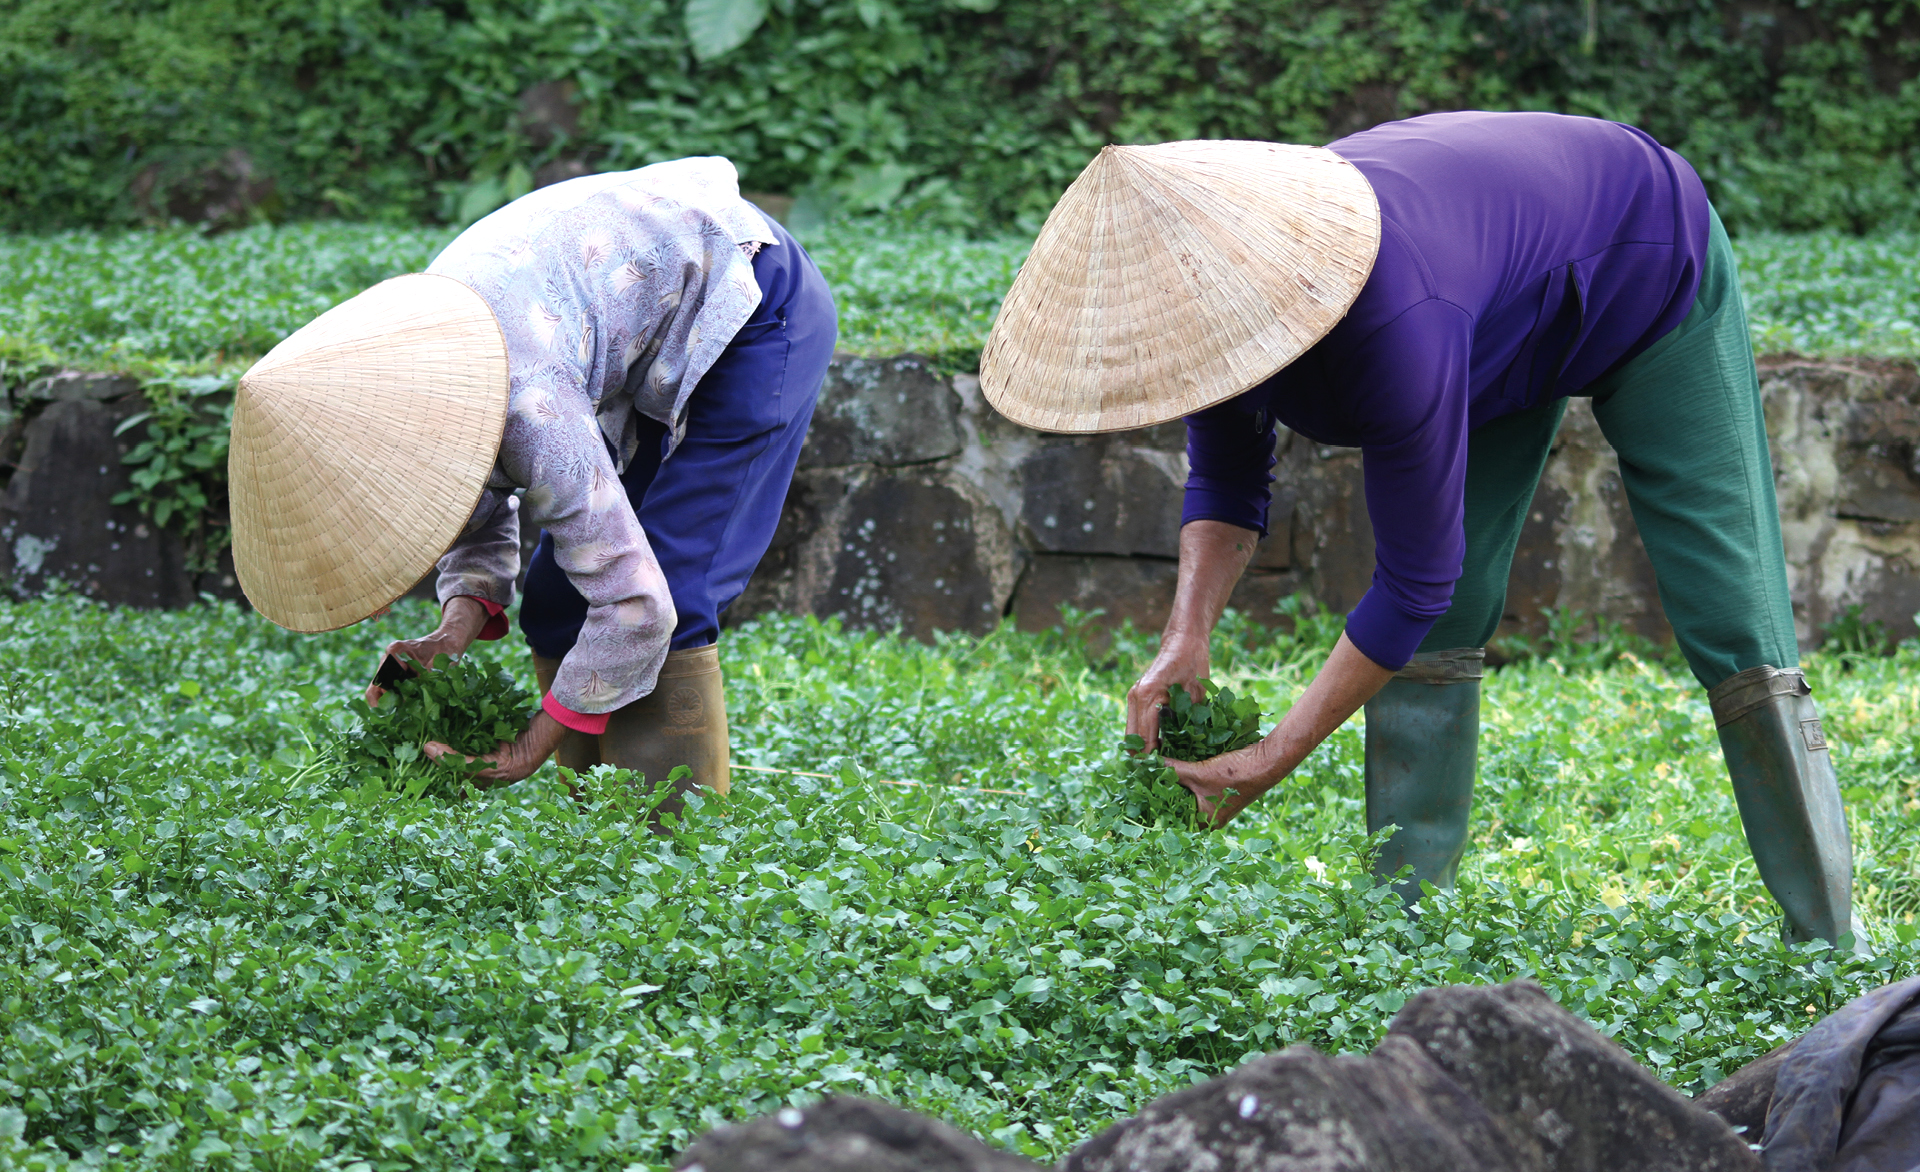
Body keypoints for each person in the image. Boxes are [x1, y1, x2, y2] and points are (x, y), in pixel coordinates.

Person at [979, 112, 1854, 944]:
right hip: (1505, 304)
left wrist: (1267, 760)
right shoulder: (1222, 299)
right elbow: (1229, 478)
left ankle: (1829, 942)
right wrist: (1186, 639)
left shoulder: (1393, 320)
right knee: (1452, 608)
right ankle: (1404, 922)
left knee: (1729, 609)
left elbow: (1411, 578)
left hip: (1648, 253)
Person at [227, 157, 836, 809]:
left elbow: (637, 606)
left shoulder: (528, 405)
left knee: (675, 589)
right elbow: (470, 487)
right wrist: (452, 629)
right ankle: (595, 823)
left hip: (752, 303)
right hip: (636, 315)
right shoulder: (424, 385)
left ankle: (673, 848)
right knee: (553, 597)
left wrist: (530, 746)